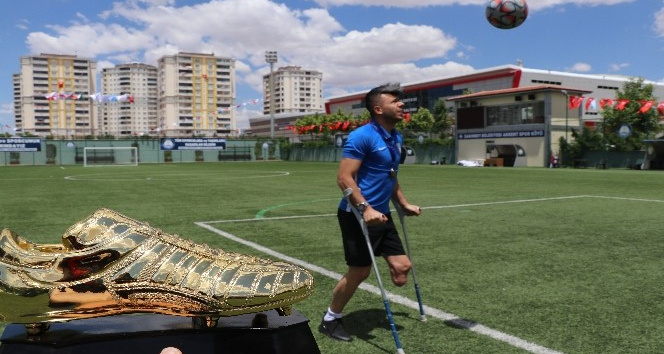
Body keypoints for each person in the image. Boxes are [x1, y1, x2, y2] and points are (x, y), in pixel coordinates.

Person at [319, 83, 422, 341]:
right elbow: (344, 178)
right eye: (394, 101)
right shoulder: (362, 136)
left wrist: (403, 203)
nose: (401, 105)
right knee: (360, 271)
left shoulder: (395, 137)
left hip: (382, 213)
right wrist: (365, 208)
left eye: (401, 101)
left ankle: (335, 315)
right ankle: (330, 319)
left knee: (402, 268)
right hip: (356, 214)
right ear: (378, 109)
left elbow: (391, 176)